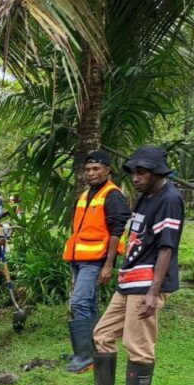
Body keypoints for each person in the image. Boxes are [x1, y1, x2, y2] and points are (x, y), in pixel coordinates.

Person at [77, 146, 184, 385]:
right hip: (129, 279)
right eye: (134, 173)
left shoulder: (169, 199)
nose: (135, 178)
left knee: (138, 343)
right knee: (102, 334)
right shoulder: (146, 196)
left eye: (142, 173)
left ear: (157, 172)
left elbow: (167, 247)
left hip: (147, 282)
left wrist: (153, 292)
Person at [62, 151, 131, 373]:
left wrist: (108, 265)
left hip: (95, 260)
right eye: (88, 169)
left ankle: (85, 356)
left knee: (79, 302)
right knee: (88, 304)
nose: (91, 173)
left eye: (96, 169)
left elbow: (117, 232)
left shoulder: (113, 195)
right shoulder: (86, 194)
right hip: (79, 258)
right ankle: (89, 351)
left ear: (107, 170)